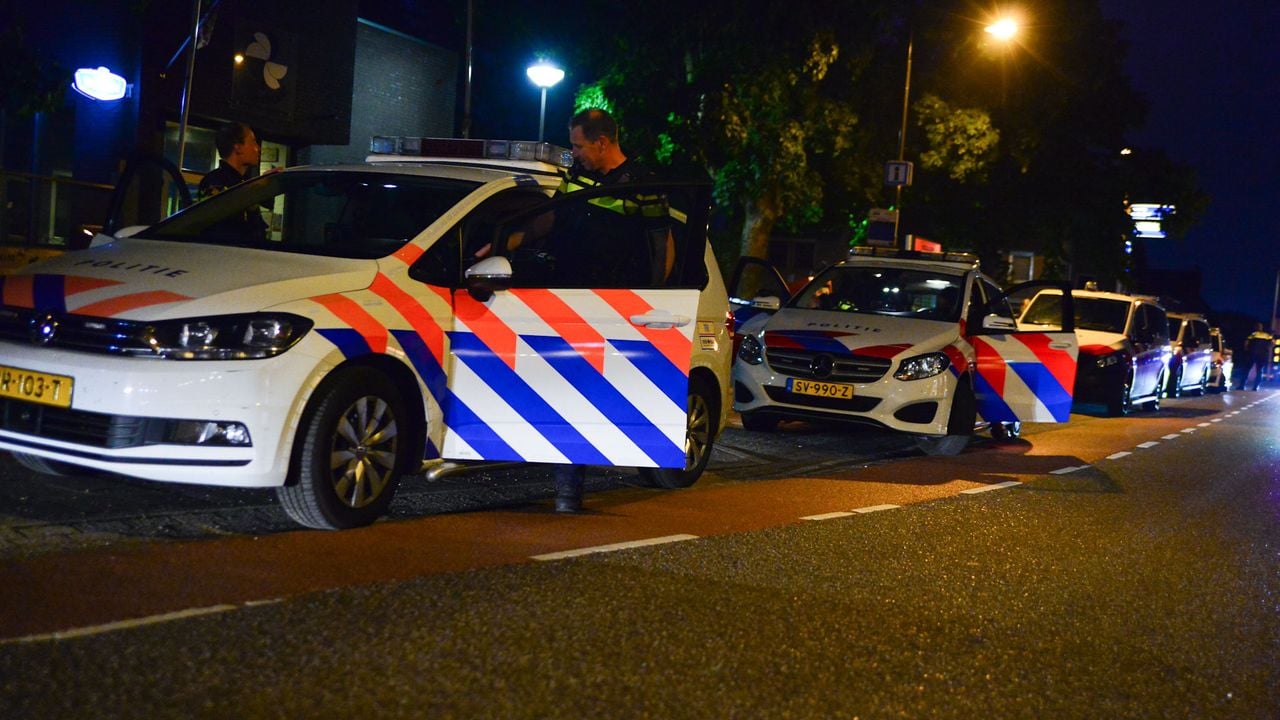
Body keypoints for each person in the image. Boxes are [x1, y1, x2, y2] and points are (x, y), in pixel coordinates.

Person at [551, 108, 659, 513]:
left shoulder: (643, 184)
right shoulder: (575, 177)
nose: (573, 153)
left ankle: (575, 487)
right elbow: (550, 219)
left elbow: (660, 246)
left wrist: (657, 299)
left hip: (615, 306)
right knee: (569, 390)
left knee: (591, 393)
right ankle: (568, 489)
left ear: (601, 142)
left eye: (578, 145)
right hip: (566, 298)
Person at [198, 121, 262, 199]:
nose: (258, 148)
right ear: (238, 148)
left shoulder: (241, 182)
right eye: (253, 142)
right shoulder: (215, 183)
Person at [1240, 322, 1273, 391]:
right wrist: (1267, 349)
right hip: (1263, 355)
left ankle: (1242, 385)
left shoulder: (1253, 334)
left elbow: (1246, 343)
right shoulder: (1267, 335)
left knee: (1246, 369)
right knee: (1259, 371)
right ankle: (1255, 386)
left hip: (1252, 353)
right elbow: (1272, 343)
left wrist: (1246, 350)